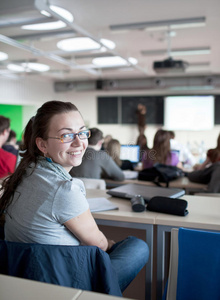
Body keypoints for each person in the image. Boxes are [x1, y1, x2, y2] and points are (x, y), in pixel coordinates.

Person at [0, 100, 149, 293]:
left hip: (25, 279)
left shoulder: (24, 173)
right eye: (66, 135)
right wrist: (109, 243)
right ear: (42, 144)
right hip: (66, 283)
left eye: (81, 132)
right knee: (137, 246)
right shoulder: (63, 189)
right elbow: (100, 245)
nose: (79, 142)